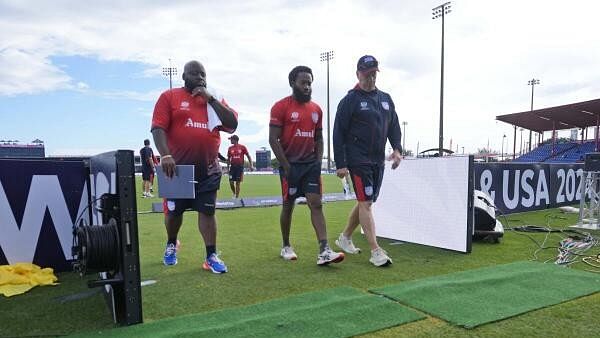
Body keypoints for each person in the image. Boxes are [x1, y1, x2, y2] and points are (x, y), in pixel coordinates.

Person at [151, 60, 238, 273]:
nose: (200, 77)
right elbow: (158, 128)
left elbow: (232, 123)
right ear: (183, 76)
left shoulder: (213, 98)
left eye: (203, 74)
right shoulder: (169, 97)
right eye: (195, 73)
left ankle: (211, 256)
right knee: (173, 214)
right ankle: (172, 243)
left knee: (207, 213)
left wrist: (211, 99)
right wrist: (165, 155)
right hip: (177, 170)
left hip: (208, 169)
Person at [269, 65, 344, 266]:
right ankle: (286, 245)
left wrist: (318, 161)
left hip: (310, 165)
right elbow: (273, 139)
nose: (307, 87)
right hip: (290, 165)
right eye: (303, 83)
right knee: (288, 205)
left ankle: (324, 250)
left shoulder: (316, 109)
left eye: (310, 83)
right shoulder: (280, 106)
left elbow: (319, 138)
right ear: (293, 83)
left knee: (316, 203)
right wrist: (285, 165)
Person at [332, 55, 402, 267]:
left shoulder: (386, 99)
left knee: (366, 202)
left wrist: (397, 149)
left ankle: (344, 237)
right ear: (358, 74)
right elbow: (338, 133)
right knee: (366, 203)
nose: (370, 77)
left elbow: (394, 127)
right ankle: (375, 250)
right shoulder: (349, 101)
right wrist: (341, 163)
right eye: (366, 73)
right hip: (357, 160)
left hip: (377, 160)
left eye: (373, 73)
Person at [227, 135, 253, 199]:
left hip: (239, 167)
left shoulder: (242, 147)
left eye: (231, 139)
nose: (230, 140)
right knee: (231, 182)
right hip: (232, 167)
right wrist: (228, 168)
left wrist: (251, 165)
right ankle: (234, 193)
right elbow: (228, 159)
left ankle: (236, 198)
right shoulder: (230, 148)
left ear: (235, 140)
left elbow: (248, 156)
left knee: (238, 183)